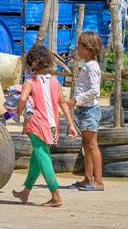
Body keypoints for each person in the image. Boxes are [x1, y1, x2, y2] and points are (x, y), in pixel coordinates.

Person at [12, 45, 78, 208]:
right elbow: (63, 103)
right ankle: (25, 193)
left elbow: (22, 99)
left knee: (44, 159)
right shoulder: (54, 81)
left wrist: (18, 112)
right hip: (52, 126)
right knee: (36, 159)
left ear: (31, 63)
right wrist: (70, 124)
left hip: (37, 126)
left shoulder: (30, 82)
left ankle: (56, 196)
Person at [67, 31, 104, 191]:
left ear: (88, 49)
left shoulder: (92, 67)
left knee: (92, 145)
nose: (77, 49)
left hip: (90, 110)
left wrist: (76, 100)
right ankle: (88, 178)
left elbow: (95, 90)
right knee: (86, 144)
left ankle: (99, 181)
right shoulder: (88, 66)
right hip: (85, 110)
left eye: (80, 46)